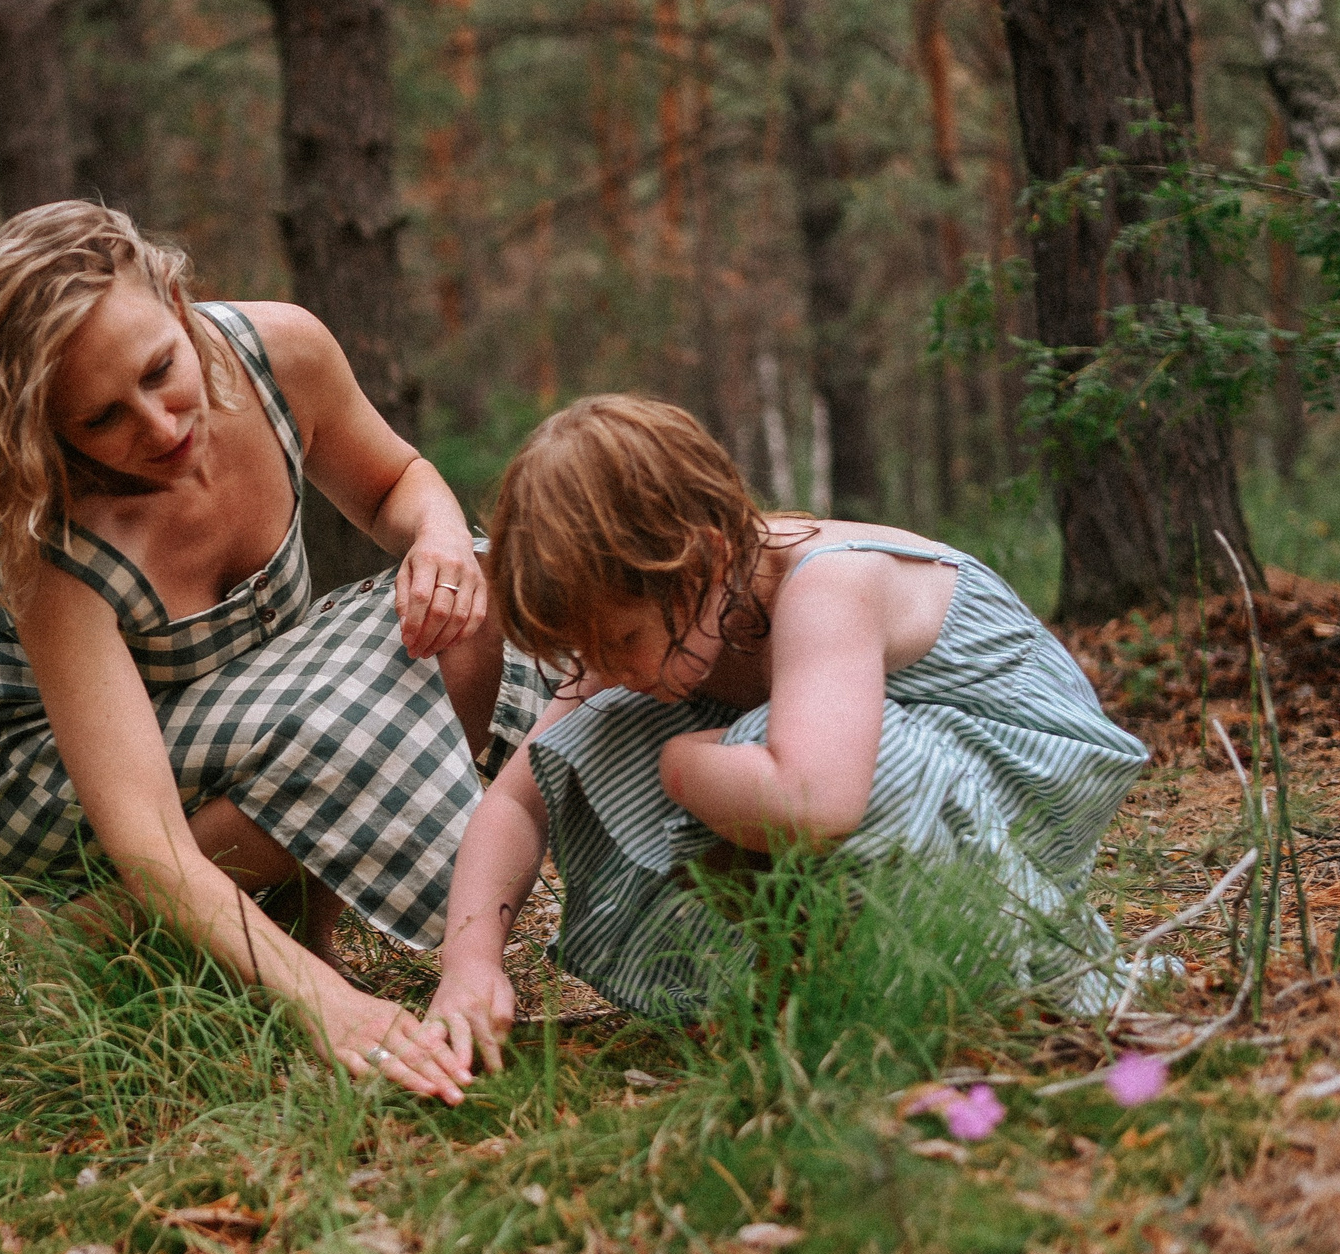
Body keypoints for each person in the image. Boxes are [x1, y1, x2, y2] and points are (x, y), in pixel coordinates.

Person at [0, 202, 554, 1104]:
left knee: (477, 599)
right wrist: (327, 1007)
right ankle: (90, 930)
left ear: (178, 303)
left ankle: (304, 924)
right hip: (48, 770)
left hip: (225, 705)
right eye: (104, 418)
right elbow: (144, 838)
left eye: (160, 369)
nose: (160, 423)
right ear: (51, 433)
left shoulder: (282, 353)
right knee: (356, 706)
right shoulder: (47, 539)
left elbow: (395, 484)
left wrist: (441, 536)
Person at [424, 394, 1149, 1073]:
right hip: (878, 780)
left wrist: (678, 764)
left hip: (1016, 779)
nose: (605, 668)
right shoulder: (671, 625)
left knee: (761, 753)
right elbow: (516, 803)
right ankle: (820, 981)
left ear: (701, 559)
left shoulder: (828, 588)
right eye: (589, 652)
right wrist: (471, 962)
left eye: (621, 639)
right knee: (602, 734)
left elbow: (818, 801)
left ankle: (997, 965)